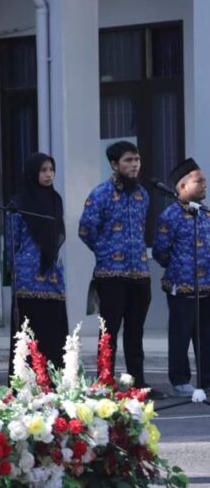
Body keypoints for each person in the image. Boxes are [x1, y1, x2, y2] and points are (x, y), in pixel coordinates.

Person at [78, 141, 158, 394]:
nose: (134, 165)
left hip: (140, 274)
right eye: (128, 161)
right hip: (111, 275)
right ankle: (105, 383)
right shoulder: (100, 193)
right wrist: (105, 252)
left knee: (135, 331)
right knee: (109, 332)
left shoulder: (142, 194)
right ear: (114, 164)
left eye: (137, 160)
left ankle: (138, 383)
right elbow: (85, 229)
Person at [152, 158, 210, 397]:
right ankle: (180, 380)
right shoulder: (170, 215)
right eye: (199, 181)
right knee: (181, 335)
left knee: (206, 336)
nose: (205, 185)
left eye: (205, 181)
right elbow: (160, 251)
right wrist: (180, 268)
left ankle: (206, 381)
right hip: (181, 287)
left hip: (206, 287)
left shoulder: (205, 213)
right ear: (183, 186)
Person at [6, 152, 68, 372]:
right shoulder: (18, 203)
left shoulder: (55, 199)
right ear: (33, 173)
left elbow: (57, 234)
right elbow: (12, 242)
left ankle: (54, 377)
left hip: (52, 273)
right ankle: (27, 378)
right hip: (27, 276)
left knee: (53, 328)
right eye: (43, 170)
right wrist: (12, 270)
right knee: (30, 329)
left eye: (51, 169)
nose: (49, 174)